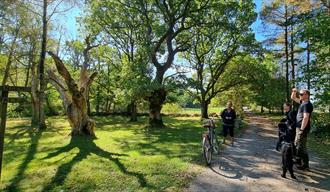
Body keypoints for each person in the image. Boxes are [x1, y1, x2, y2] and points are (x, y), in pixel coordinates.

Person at [291, 88, 313, 170]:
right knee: (298, 144)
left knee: (300, 145)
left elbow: (306, 117)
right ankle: (301, 162)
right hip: (299, 127)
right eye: (299, 94)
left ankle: (304, 164)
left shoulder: (307, 104)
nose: (299, 95)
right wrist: (294, 91)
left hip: (302, 128)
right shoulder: (302, 102)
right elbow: (293, 98)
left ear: (307, 95)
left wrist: (302, 130)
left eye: (301, 94)